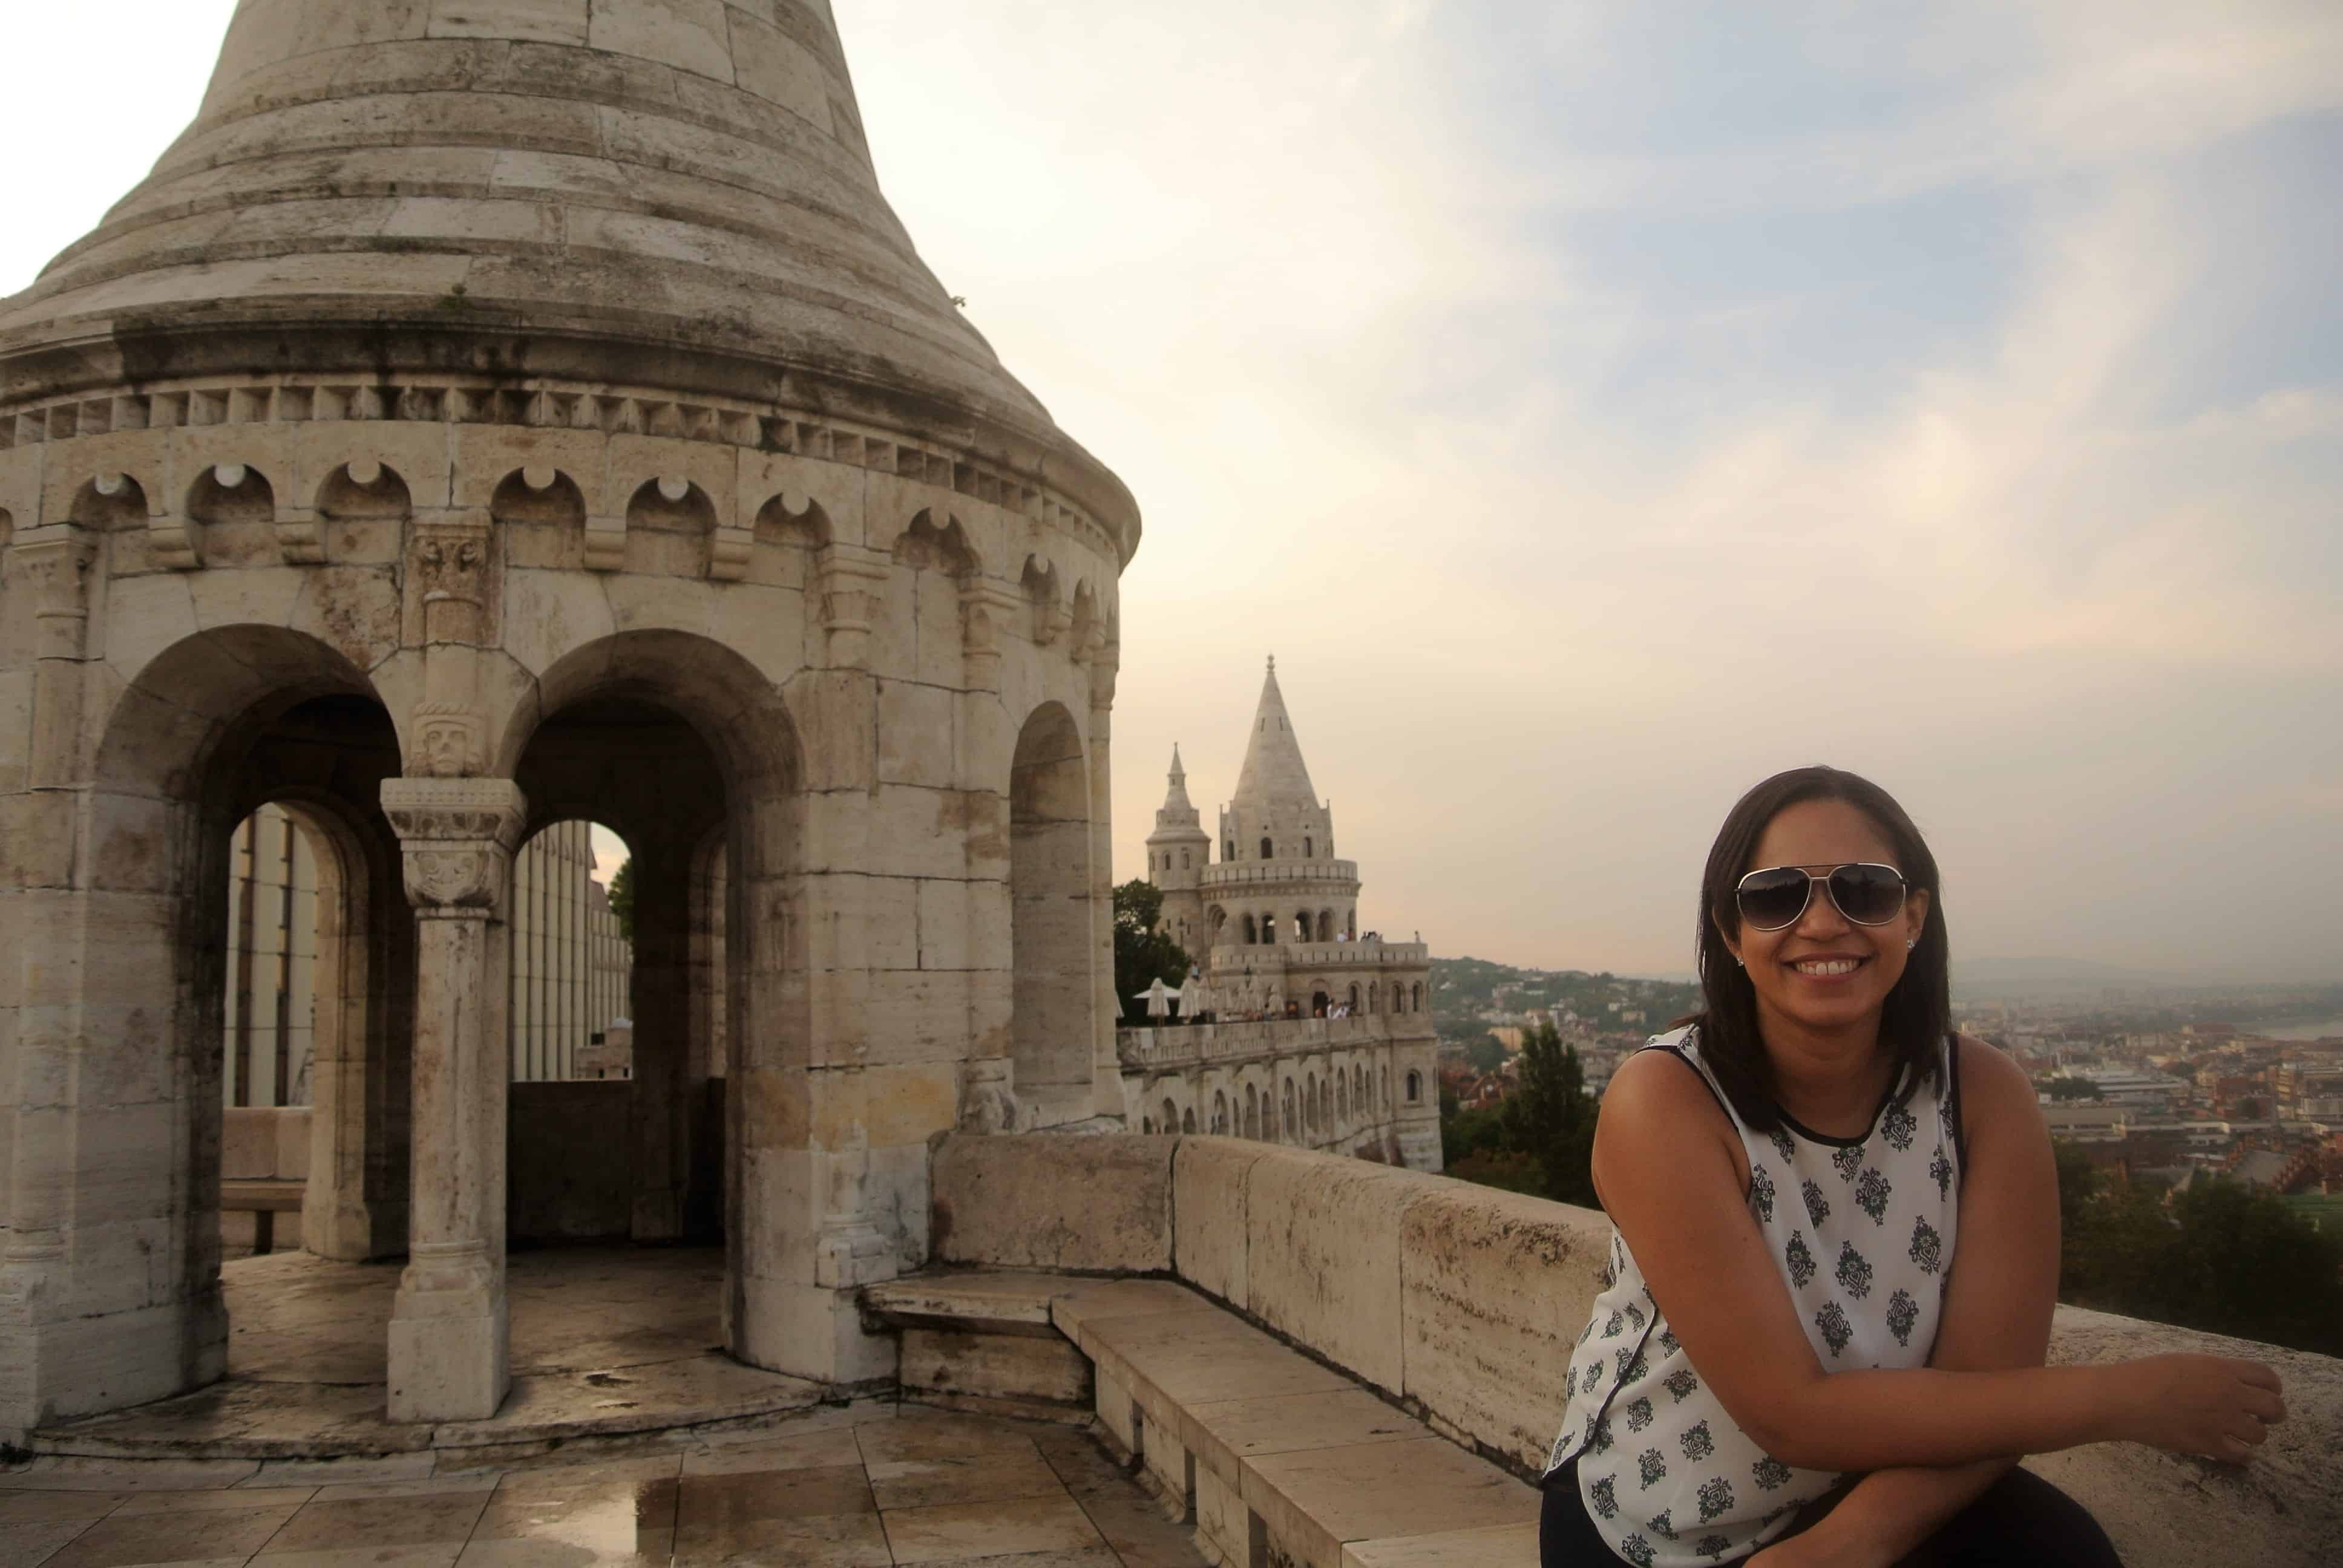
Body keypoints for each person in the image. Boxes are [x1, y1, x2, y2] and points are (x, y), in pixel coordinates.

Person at [1539, 766, 2285, 1568]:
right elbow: (1790, 1413)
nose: (1821, 923)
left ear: (1915, 916)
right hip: (1656, 1517)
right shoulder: (1666, 1100)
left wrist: (1854, 1543)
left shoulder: (1984, 1096)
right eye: (1775, 896)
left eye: (1863, 890)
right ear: (1731, 931)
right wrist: (2134, 1399)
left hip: (1874, 1485)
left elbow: (1991, 1391)